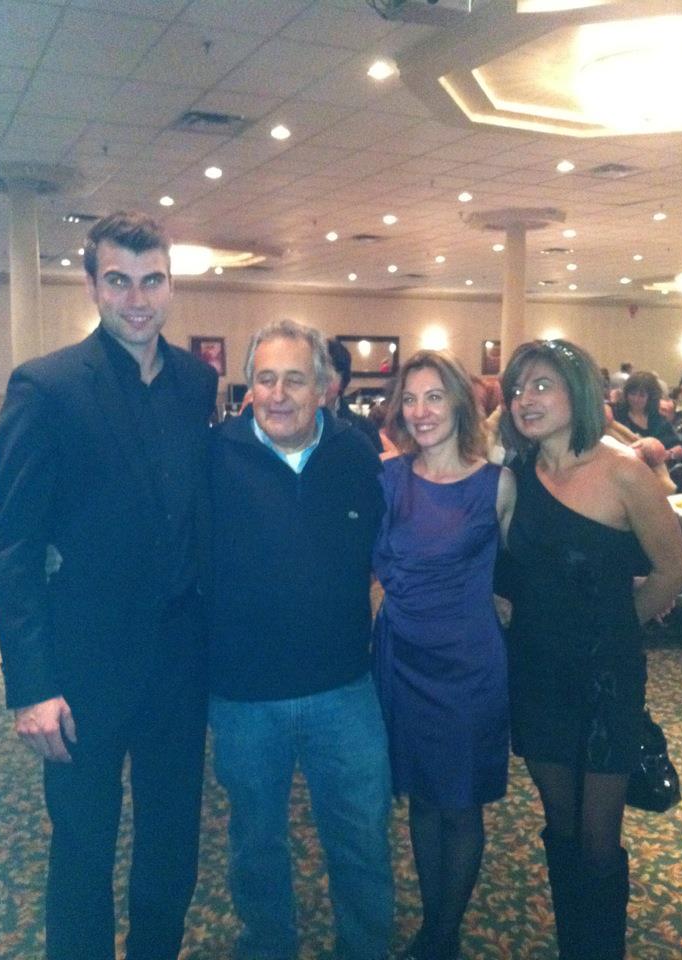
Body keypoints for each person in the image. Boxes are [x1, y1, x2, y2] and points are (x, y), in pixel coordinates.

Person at [0, 211, 218, 960]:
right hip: (82, 671)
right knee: (82, 851)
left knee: (171, 844)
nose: (137, 299)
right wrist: (29, 686)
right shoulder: (46, 387)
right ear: (93, 284)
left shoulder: (196, 382)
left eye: (151, 280)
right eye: (118, 281)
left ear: (170, 283)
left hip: (179, 666)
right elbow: (13, 545)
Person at [208, 319, 393, 960]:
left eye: (295, 379)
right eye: (266, 379)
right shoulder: (214, 455)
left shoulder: (358, 454)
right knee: (255, 841)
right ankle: (267, 945)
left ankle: (364, 948)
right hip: (243, 694)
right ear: (249, 385)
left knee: (362, 836)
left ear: (324, 387)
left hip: (344, 685)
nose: (279, 394)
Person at [500, 339, 682, 960]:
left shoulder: (623, 471)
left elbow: (673, 569)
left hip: (607, 679)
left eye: (542, 386)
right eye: (519, 388)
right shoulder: (519, 476)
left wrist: (611, 625)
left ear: (577, 391)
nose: (525, 399)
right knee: (559, 825)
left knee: (597, 837)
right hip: (534, 671)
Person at [373, 350, 516, 960]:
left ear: (460, 401)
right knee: (424, 798)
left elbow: (524, 572)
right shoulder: (386, 477)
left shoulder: (497, 483)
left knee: (460, 803)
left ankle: (442, 934)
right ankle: (434, 926)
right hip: (401, 659)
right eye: (410, 398)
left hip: (467, 666)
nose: (420, 411)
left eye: (433, 396)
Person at [326, 337, 383, 452]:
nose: (320, 383)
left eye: (328, 376)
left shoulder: (364, 428)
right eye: (315, 374)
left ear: (343, 381)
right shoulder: (292, 425)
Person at [613, 370, 682, 462]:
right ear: (626, 394)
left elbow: (679, 448)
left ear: (650, 398)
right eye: (632, 394)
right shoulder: (617, 415)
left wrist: (667, 455)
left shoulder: (658, 420)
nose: (636, 399)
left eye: (642, 395)